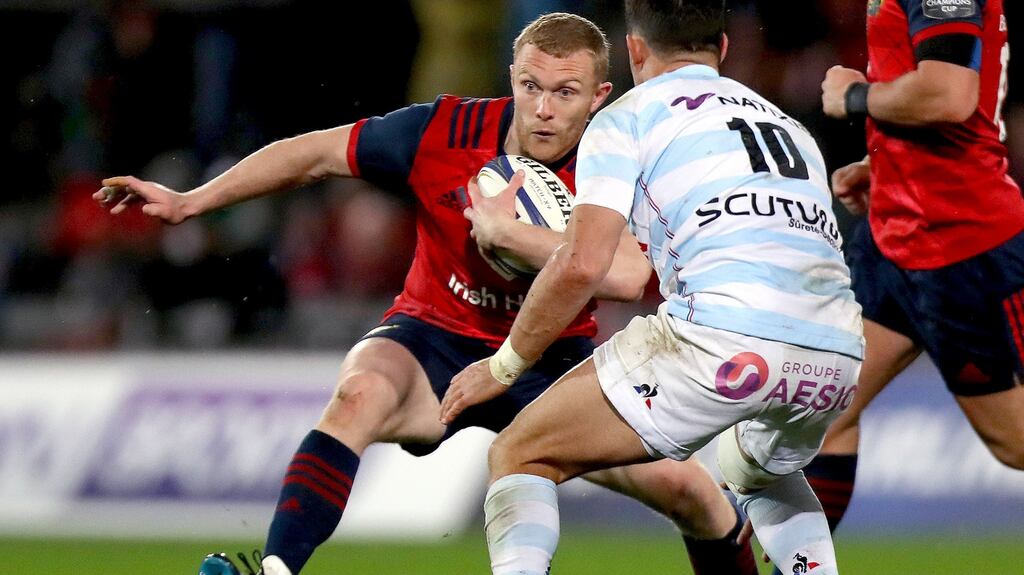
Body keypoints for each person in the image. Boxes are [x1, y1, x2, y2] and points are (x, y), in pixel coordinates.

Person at [95, 12, 757, 575]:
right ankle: (273, 569)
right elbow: (316, 153)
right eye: (531, 86)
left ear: (599, 95)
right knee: (359, 393)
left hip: (549, 361)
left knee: (686, 488)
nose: (545, 108)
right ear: (512, 80)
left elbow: (626, 275)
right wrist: (193, 200)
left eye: (566, 91)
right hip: (434, 338)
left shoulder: (616, 162)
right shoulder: (444, 132)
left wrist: (511, 233)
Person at [441, 1, 866, 574]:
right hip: (837, 351)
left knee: (519, 453)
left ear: (635, 51)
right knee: (755, 470)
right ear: (722, 48)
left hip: (724, 338)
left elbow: (583, 264)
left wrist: (502, 366)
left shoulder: (627, 118)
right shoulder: (788, 126)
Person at [800, 0, 1024, 542]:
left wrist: (854, 96)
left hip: (958, 247)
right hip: (894, 238)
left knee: (1013, 443)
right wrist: (886, 167)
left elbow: (948, 95)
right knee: (820, 413)